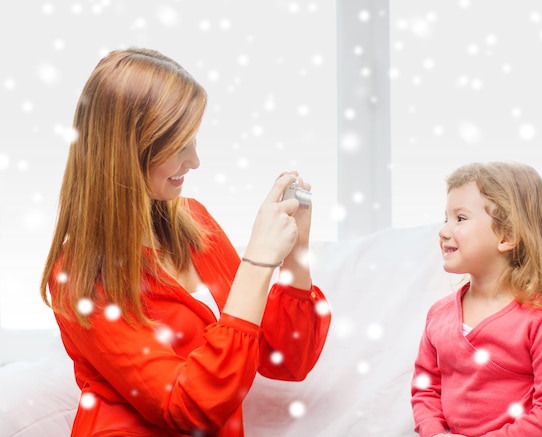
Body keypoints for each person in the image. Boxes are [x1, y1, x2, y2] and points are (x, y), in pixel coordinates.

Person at [40, 47, 331, 437]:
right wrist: (257, 262)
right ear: (128, 149)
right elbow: (188, 407)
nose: (195, 161)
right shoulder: (79, 274)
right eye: (179, 145)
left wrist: (296, 248)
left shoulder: (194, 223)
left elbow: (285, 358)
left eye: (193, 141)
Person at [411, 162, 542, 437]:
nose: (444, 230)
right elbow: (426, 388)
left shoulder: (540, 320)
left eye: (460, 218)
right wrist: (435, 433)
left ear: (507, 235)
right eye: (446, 218)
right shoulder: (438, 315)